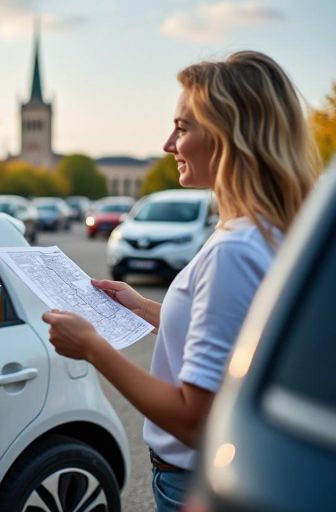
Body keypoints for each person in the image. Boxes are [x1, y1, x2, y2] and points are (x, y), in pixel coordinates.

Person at [42, 51, 319, 512]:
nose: (169, 143)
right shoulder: (271, 228)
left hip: (192, 478)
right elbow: (236, 337)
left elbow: (194, 417)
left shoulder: (235, 248)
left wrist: (93, 347)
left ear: (229, 135)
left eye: (183, 127)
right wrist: (143, 307)